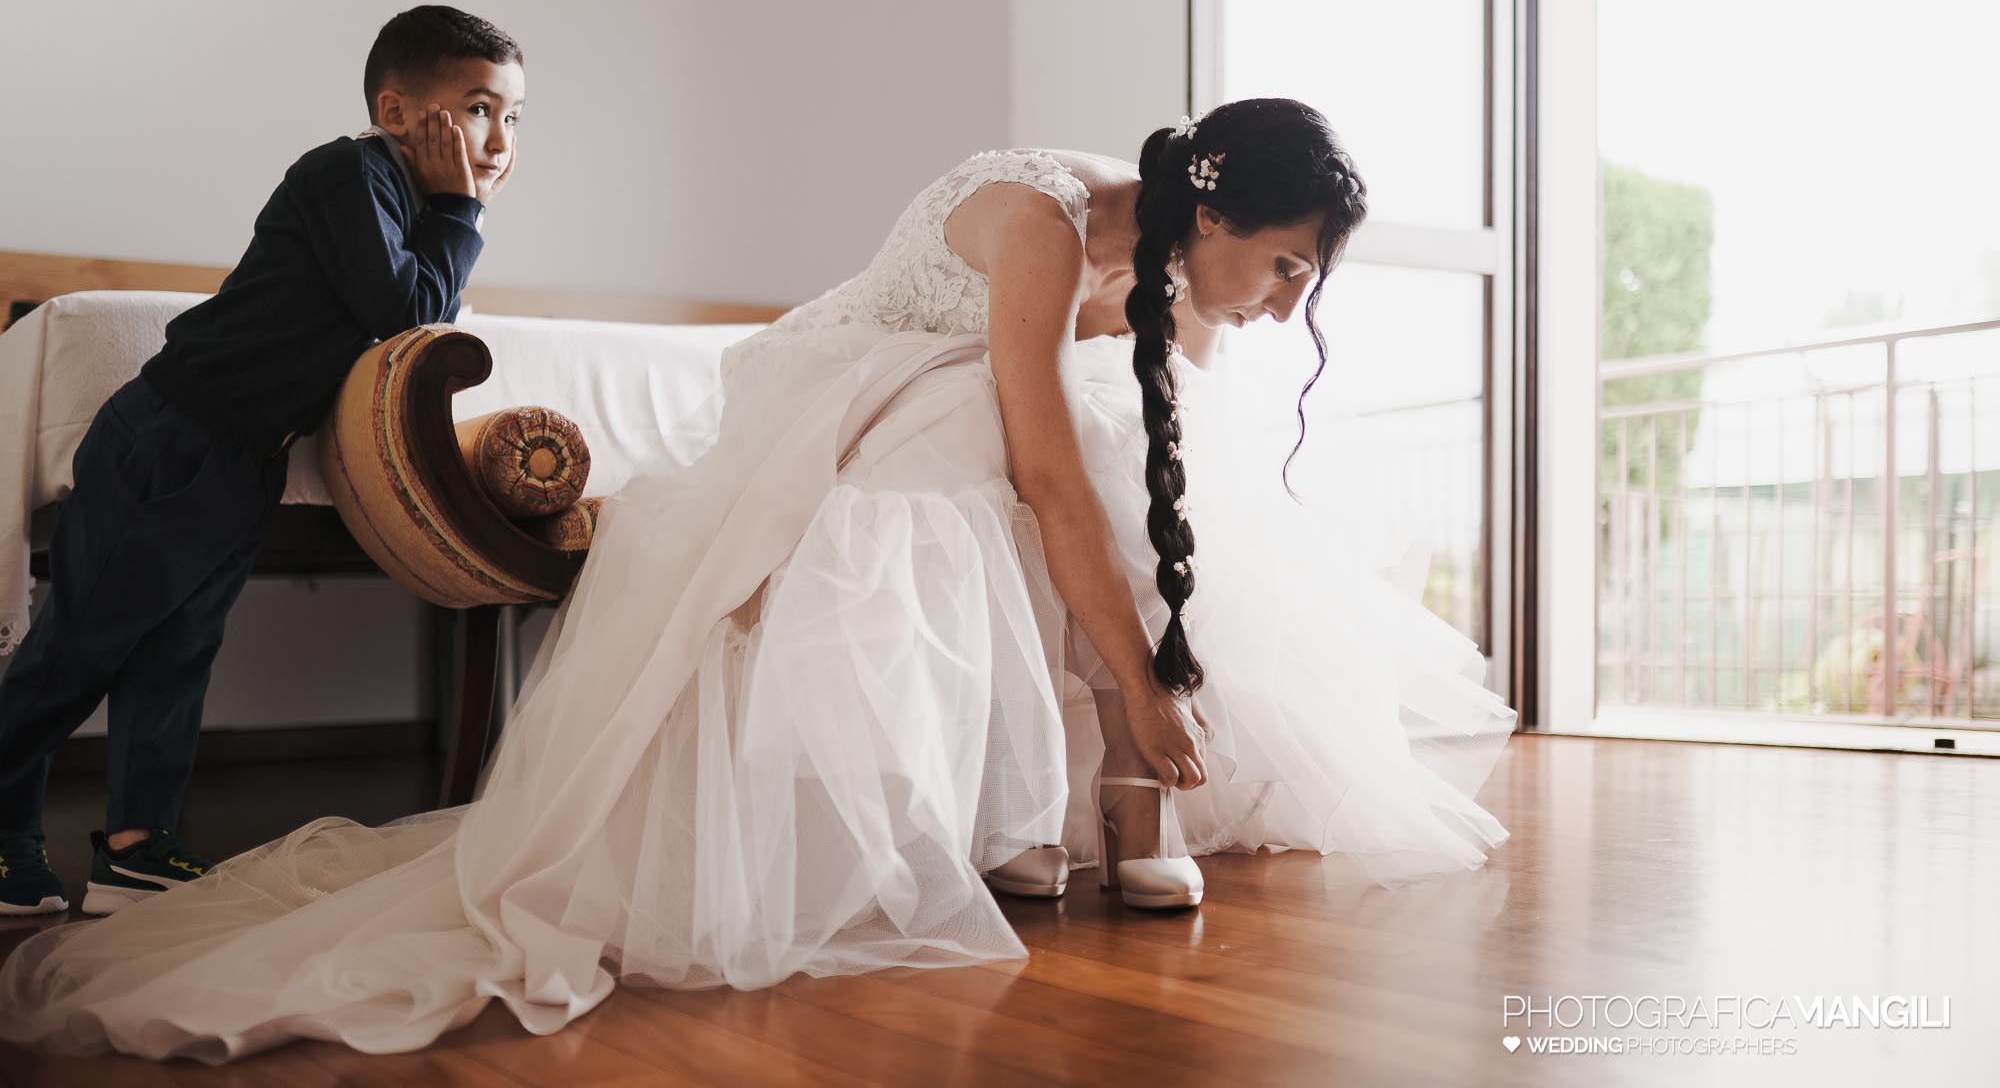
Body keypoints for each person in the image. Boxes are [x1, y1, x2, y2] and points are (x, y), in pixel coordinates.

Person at [0, 98, 1515, 1063]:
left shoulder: (1159, 253)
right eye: (1293, 265)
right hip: (856, 398)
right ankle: (1096, 768)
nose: (1292, 299)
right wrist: (1132, 668)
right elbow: (1043, 474)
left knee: (1124, 445)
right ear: (1213, 211)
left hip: (967, 401)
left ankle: (1091, 799)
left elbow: (1098, 458)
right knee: (982, 441)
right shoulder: (1049, 231)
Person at [0, 5, 524, 919]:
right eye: (480, 108)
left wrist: (453, 211)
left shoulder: (413, 201)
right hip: (171, 436)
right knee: (79, 646)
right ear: (399, 112)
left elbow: (419, 306)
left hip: (243, 458)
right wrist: (464, 208)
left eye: (514, 118)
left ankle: (137, 845)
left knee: (178, 652)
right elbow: (408, 311)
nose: (499, 136)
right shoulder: (349, 171)